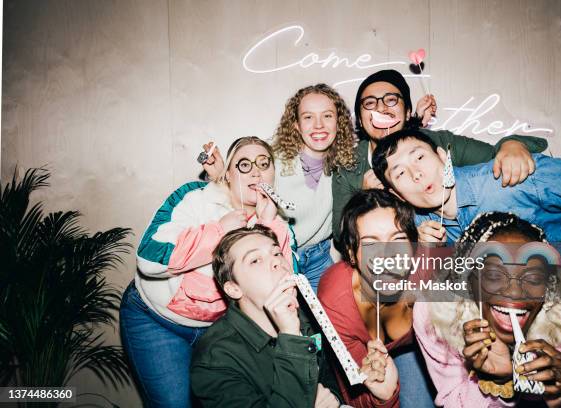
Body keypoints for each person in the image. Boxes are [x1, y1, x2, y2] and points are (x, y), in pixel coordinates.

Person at [120, 137, 295, 407]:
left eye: (264, 163)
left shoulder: (276, 221)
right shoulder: (196, 198)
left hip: (217, 329)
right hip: (157, 320)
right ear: (228, 174)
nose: (256, 172)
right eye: (244, 164)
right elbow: (149, 259)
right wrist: (218, 231)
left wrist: (267, 222)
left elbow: (280, 288)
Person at [413, 212, 561, 407]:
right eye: (493, 275)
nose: (515, 293)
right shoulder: (436, 317)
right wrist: (498, 384)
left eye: (533, 278)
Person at [331, 68, 550, 242]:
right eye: (370, 103)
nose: (381, 109)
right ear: (359, 120)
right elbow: (341, 237)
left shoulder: (438, 144)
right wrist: (364, 199)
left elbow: (494, 155)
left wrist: (511, 144)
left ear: (407, 112)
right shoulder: (348, 165)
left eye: (391, 100)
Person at [200, 84, 356, 293]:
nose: (319, 125)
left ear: (339, 122)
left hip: (319, 257)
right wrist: (220, 176)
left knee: (327, 320)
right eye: (308, 117)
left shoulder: (346, 162)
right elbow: (240, 191)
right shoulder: (269, 157)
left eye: (327, 116)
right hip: (277, 255)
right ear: (296, 125)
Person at [371, 127, 561, 244]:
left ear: (444, 158)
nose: (416, 174)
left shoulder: (515, 178)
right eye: (401, 173)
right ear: (396, 194)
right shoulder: (420, 228)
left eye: (420, 157)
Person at [190, 225, 341, 407]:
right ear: (234, 288)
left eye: (277, 253)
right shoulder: (214, 361)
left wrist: (333, 397)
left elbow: (330, 380)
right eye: (255, 260)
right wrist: (291, 336)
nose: (277, 262)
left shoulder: (307, 315)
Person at [318, 189, 429, 408]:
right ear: (351, 253)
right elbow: (357, 394)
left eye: (397, 239)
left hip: (418, 351)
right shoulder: (336, 300)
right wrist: (384, 396)